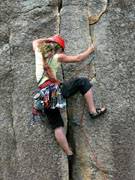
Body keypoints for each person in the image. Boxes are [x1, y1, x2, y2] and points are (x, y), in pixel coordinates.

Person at [32, 35, 106, 172]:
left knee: (57, 126)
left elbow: (35, 41)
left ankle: (69, 153)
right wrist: (89, 50)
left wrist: (48, 38)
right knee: (83, 82)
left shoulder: (38, 53)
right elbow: (78, 58)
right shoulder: (57, 57)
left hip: (44, 96)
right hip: (56, 92)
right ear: (58, 49)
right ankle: (93, 111)